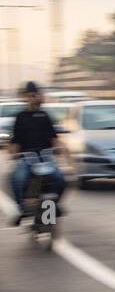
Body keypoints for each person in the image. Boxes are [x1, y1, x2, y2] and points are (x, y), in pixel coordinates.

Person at [9, 82, 67, 225]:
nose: (33, 98)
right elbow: (15, 140)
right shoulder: (20, 117)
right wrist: (13, 152)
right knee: (17, 179)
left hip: (45, 157)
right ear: (25, 97)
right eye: (30, 96)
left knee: (61, 179)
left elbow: (54, 137)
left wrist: (59, 148)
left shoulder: (44, 115)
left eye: (35, 95)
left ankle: (54, 205)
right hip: (27, 158)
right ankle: (22, 209)